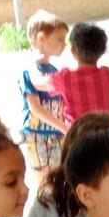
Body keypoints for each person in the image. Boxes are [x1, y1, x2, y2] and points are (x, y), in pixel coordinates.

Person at [18, 9, 69, 170]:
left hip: (57, 134)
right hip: (36, 134)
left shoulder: (55, 70)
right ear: (41, 38)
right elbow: (36, 108)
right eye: (59, 39)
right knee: (41, 180)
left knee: (57, 177)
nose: (64, 44)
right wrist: (62, 126)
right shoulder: (28, 70)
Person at [54, 21, 109, 121]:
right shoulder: (107, 74)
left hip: (79, 135)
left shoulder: (65, 78)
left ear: (73, 51)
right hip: (108, 134)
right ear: (103, 50)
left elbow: (38, 83)